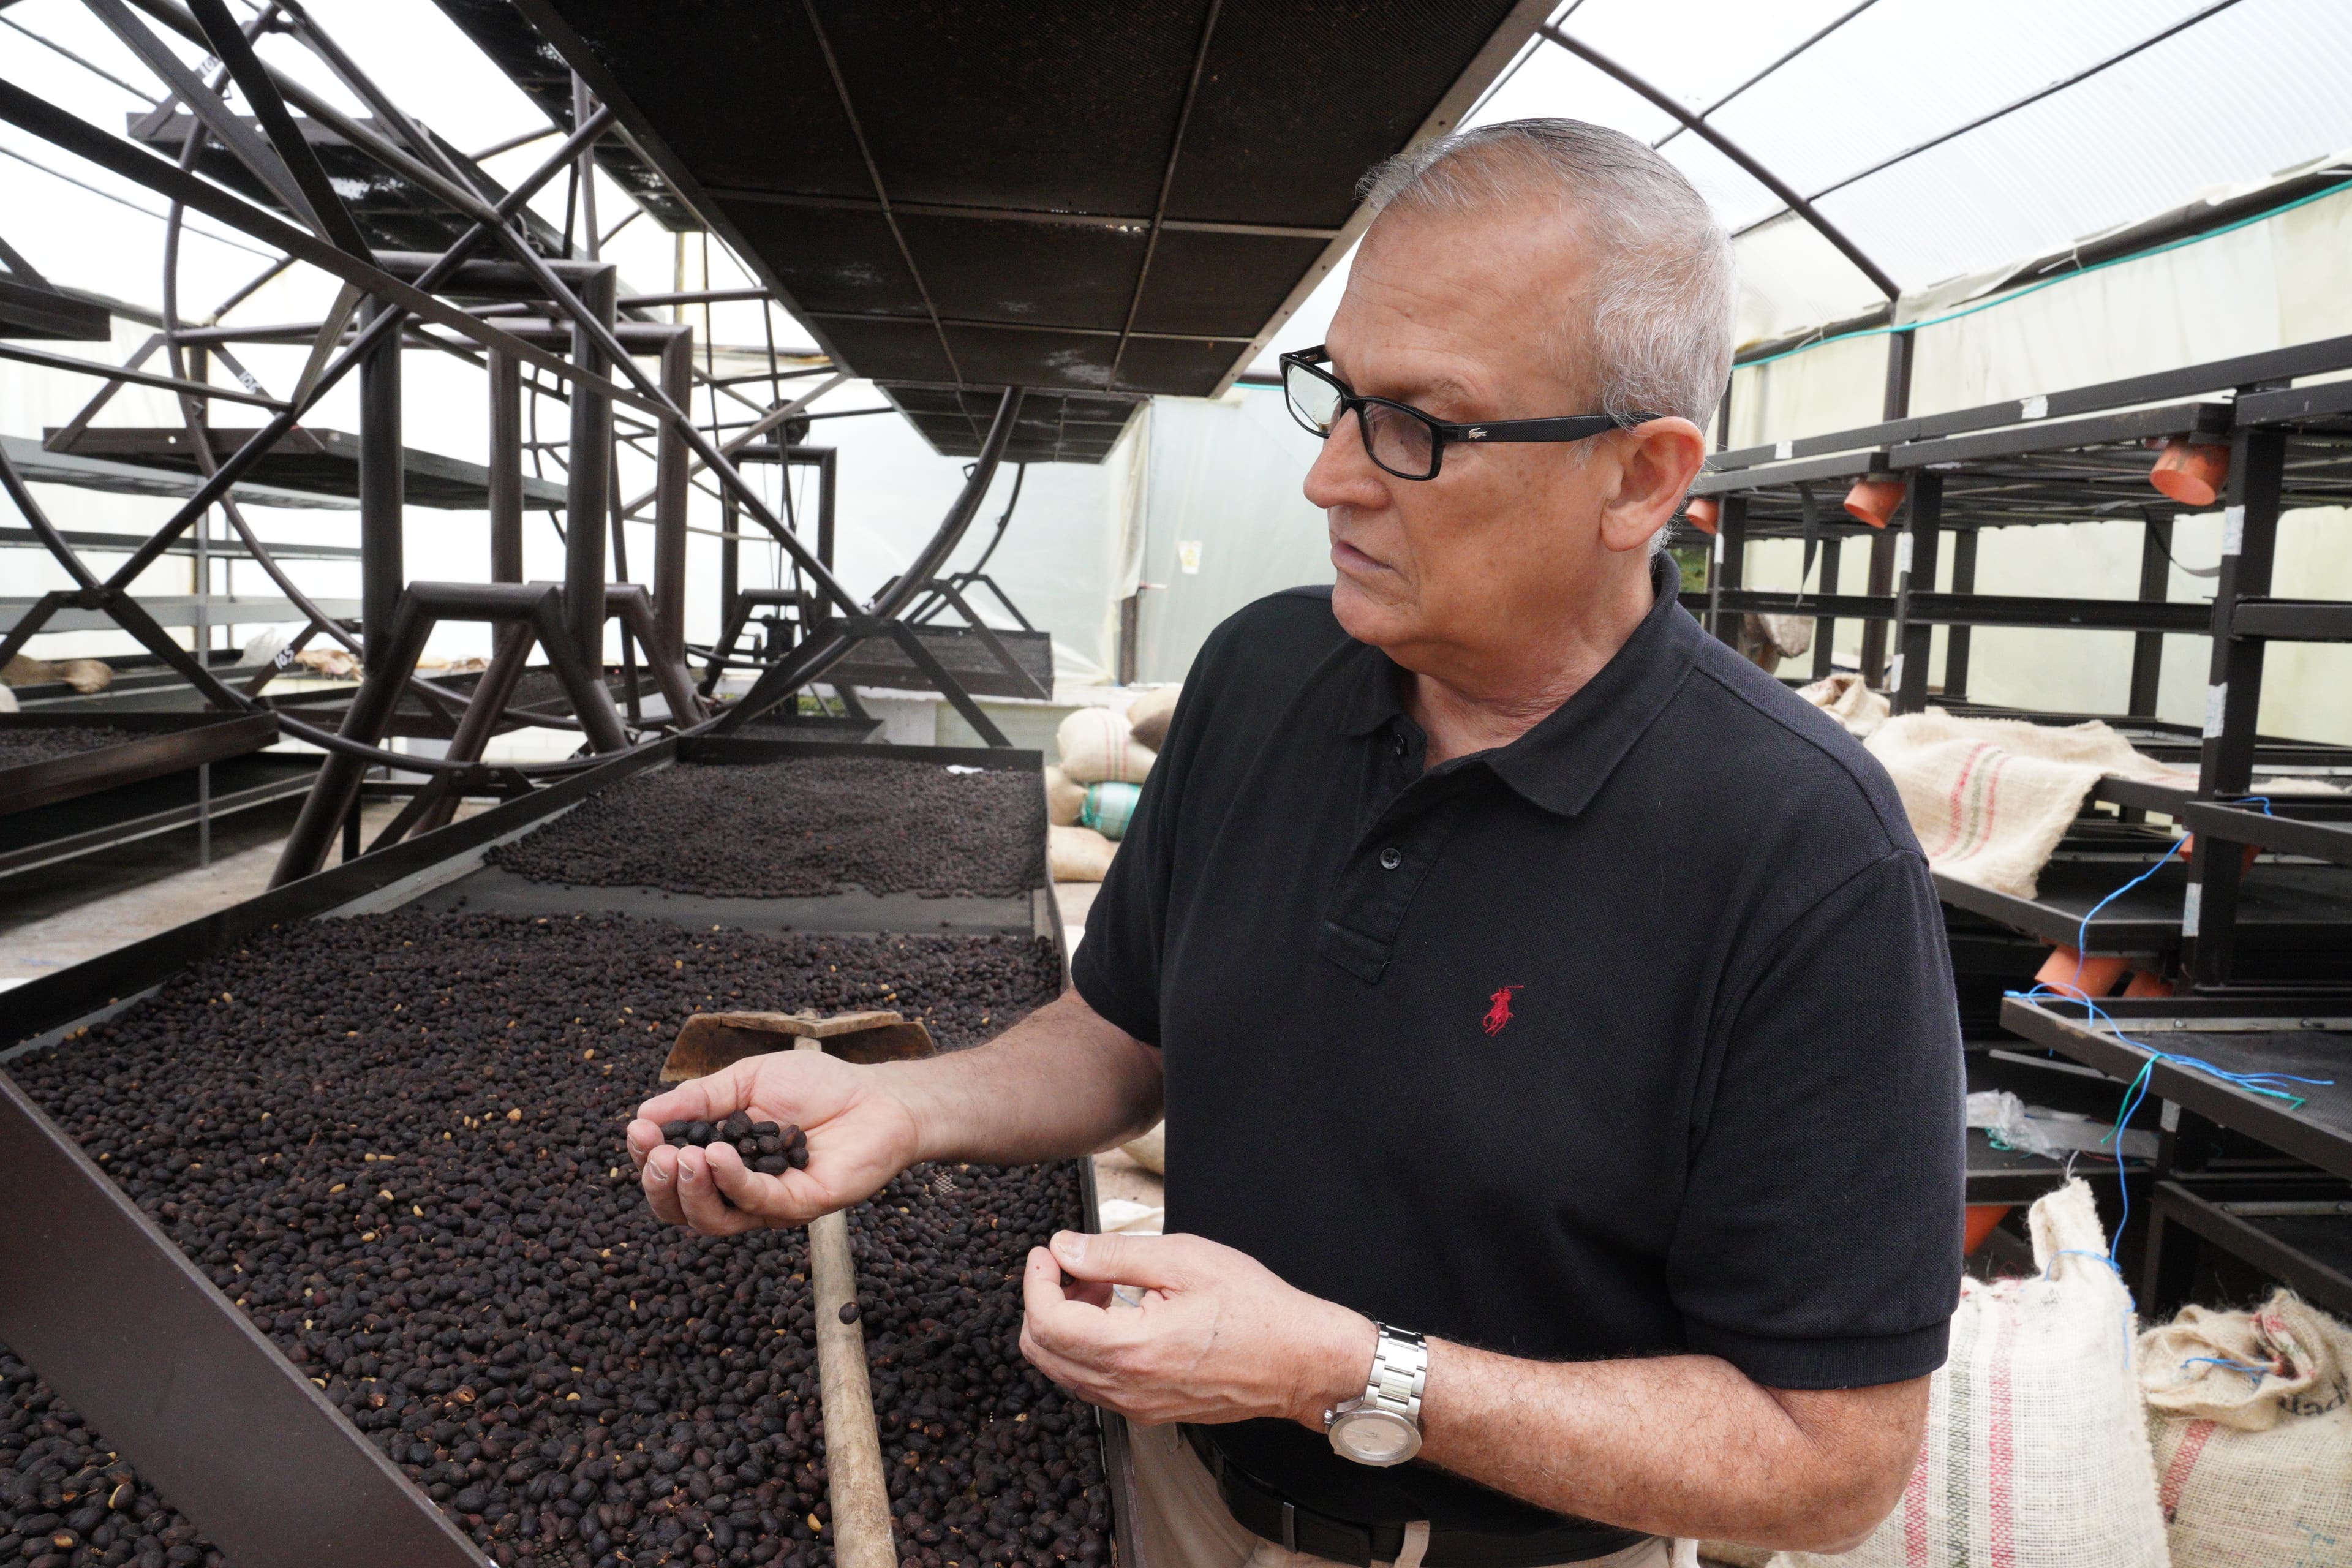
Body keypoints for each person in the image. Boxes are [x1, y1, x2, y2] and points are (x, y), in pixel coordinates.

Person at [630, 118, 1963, 1568]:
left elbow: (1830, 1461)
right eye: (1335, 397)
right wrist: (906, 1105)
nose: (1332, 479)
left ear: (1641, 477)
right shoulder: (1265, 673)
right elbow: (1118, 1028)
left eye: (1420, 425)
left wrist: (1339, 1367)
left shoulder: (1801, 850)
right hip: (1169, 1497)